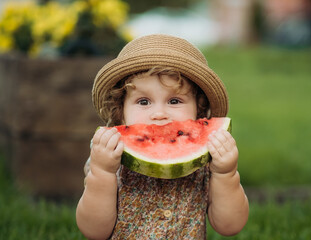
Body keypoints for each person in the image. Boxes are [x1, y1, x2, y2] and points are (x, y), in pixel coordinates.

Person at [76, 34, 249, 239]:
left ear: (199, 110)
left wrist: (226, 175)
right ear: (120, 111)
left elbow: (229, 226)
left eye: (174, 101)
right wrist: (102, 173)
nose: (159, 114)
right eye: (143, 102)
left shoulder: (207, 159)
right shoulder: (107, 153)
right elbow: (94, 231)